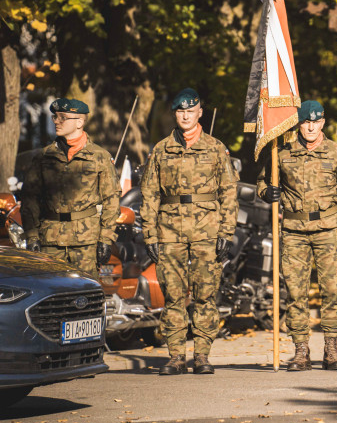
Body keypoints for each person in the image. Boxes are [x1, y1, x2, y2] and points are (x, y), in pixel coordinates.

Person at [256, 100, 337, 371]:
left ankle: (331, 347)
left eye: (316, 121)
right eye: (306, 122)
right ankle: (301, 350)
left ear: (323, 122)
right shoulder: (281, 153)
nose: (311, 127)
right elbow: (263, 180)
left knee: (332, 290)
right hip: (293, 232)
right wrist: (267, 192)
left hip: (328, 230)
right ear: (298, 123)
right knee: (295, 292)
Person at [140, 88, 238, 375]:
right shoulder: (161, 149)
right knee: (172, 294)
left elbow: (228, 193)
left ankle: (203, 355)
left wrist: (226, 231)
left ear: (199, 113)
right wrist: (150, 234)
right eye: (180, 111)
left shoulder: (216, 148)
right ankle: (176, 356)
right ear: (175, 114)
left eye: (190, 110)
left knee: (205, 293)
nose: (185, 115)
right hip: (169, 229)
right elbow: (149, 194)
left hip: (207, 229)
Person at [21, 98, 119, 279]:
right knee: (49, 295)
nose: (57, 121)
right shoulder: (43, 157)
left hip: (86, 243)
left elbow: (111, 200)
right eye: (55, 117)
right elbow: (29, 198)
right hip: (50, 240)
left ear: (80, 122)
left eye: (63, 117)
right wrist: (32, 235)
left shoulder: (99, 157)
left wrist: (106, 238)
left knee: (85, 295)